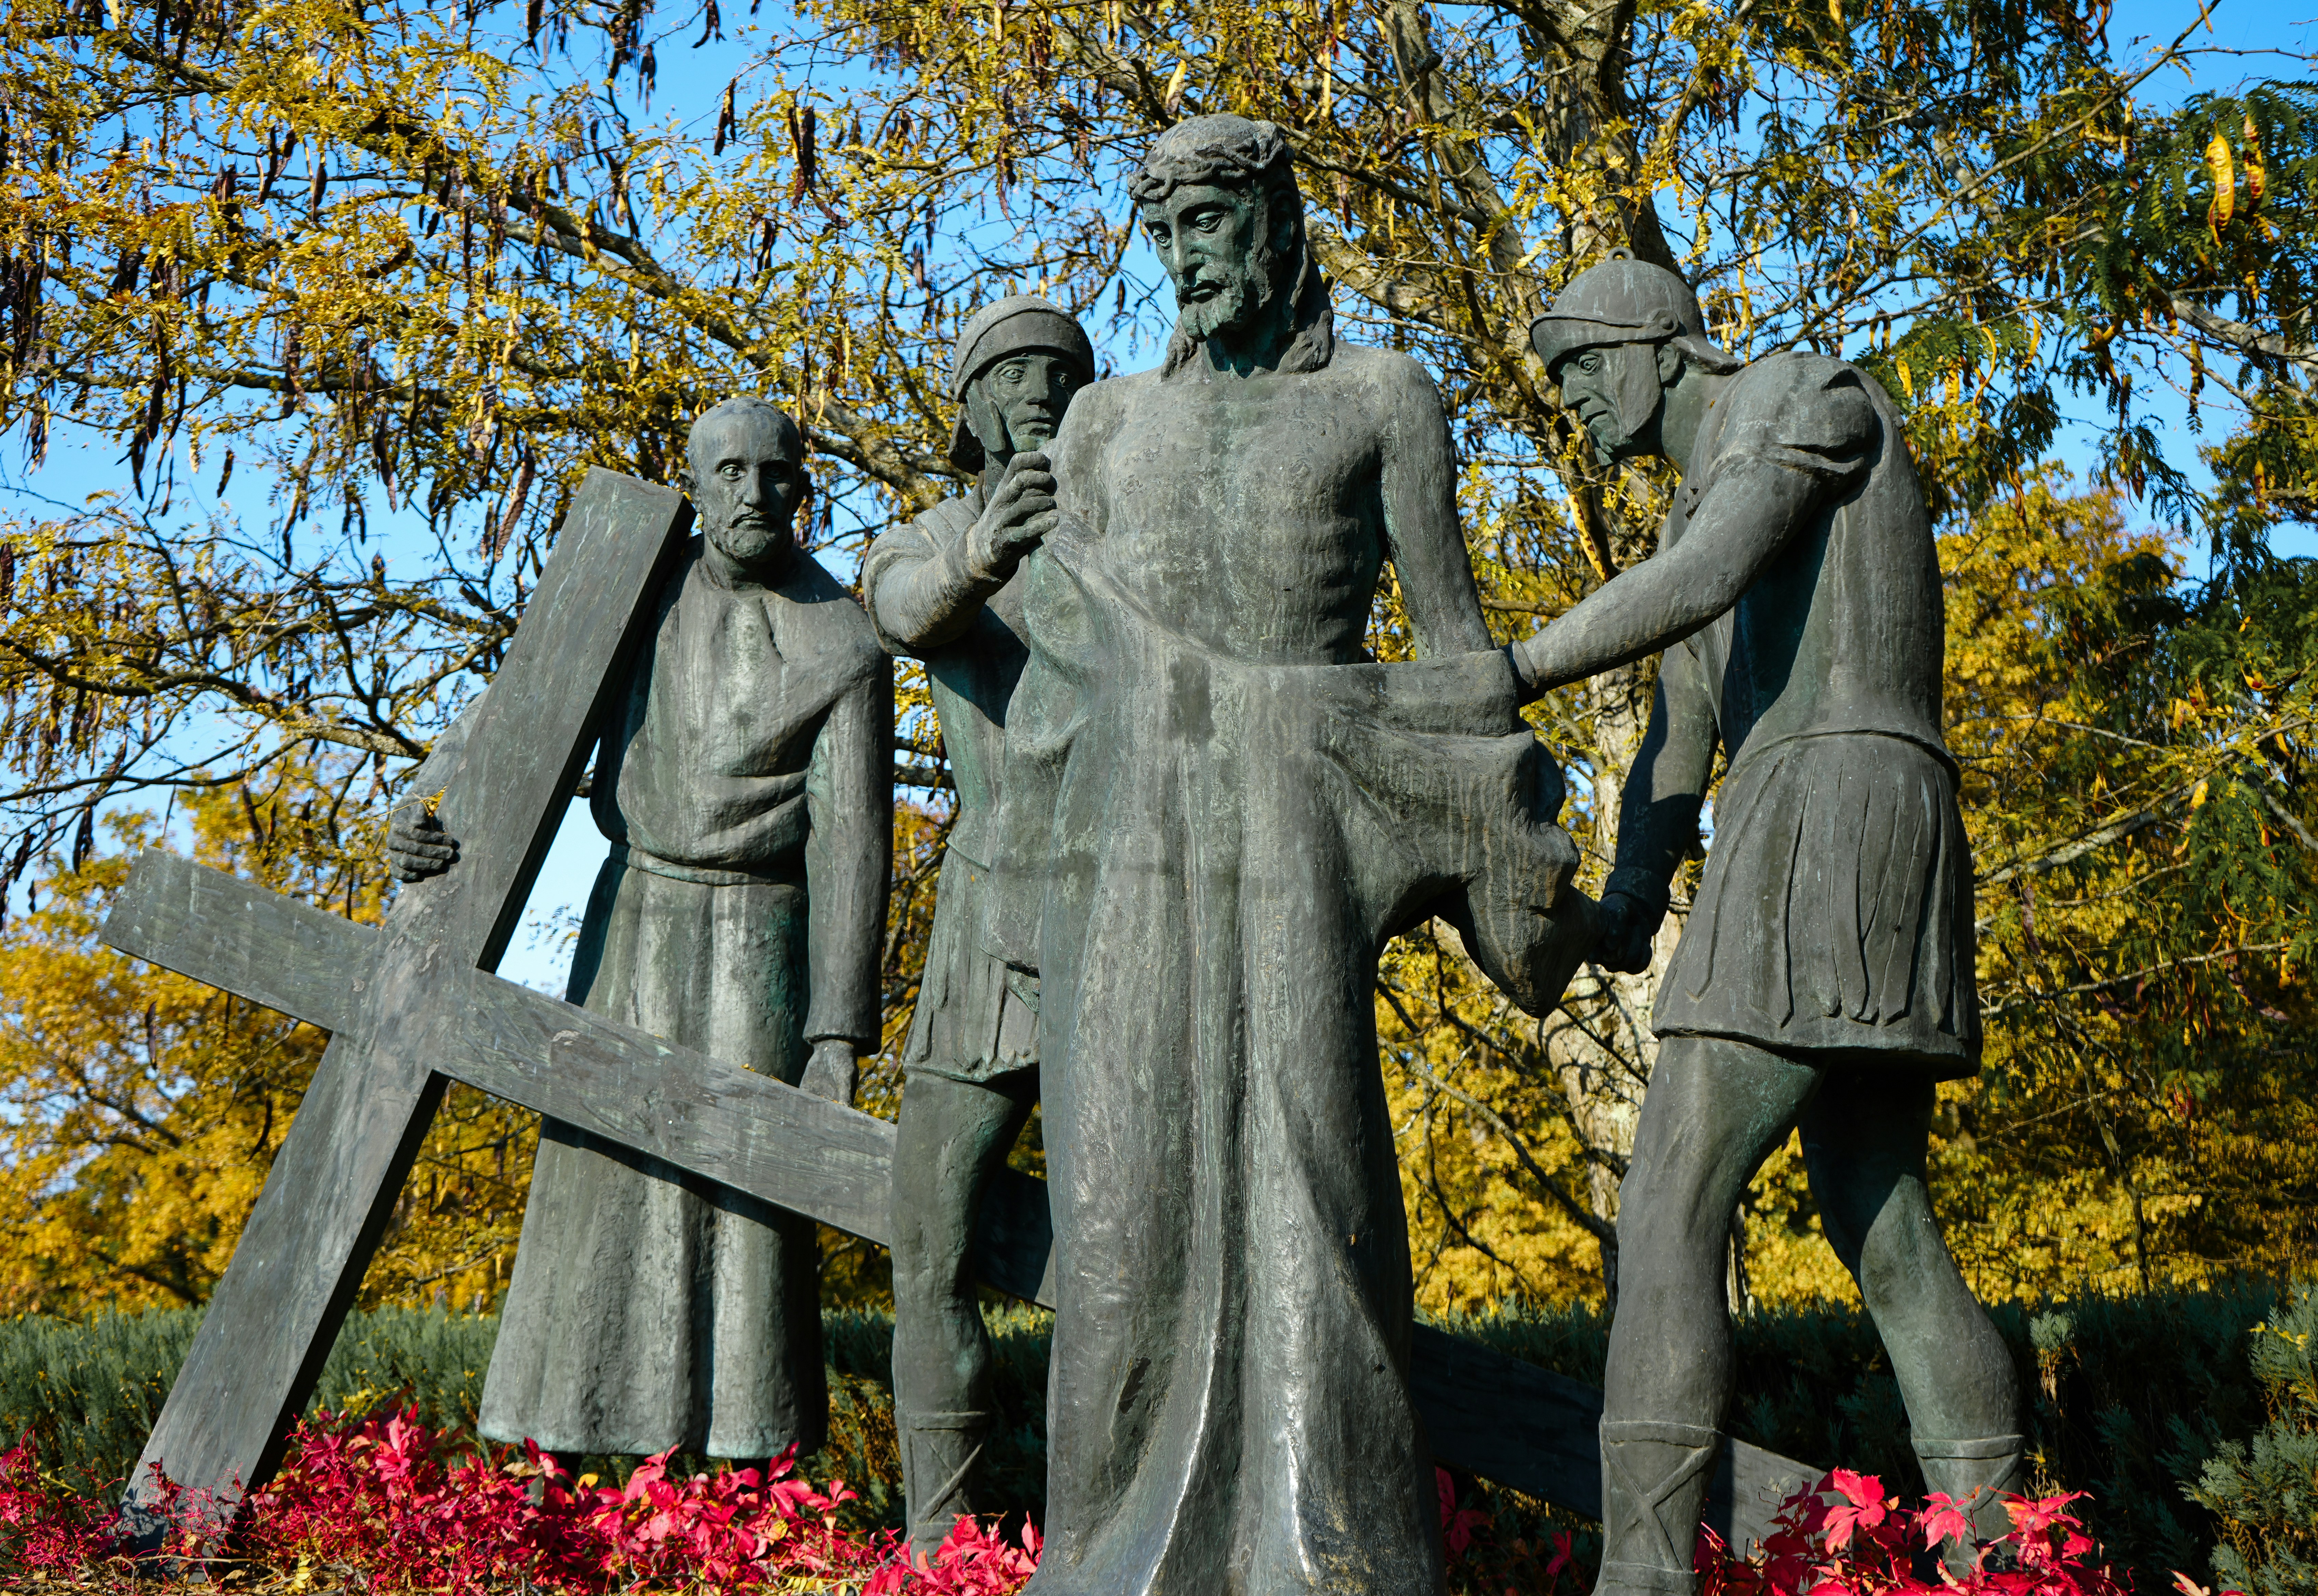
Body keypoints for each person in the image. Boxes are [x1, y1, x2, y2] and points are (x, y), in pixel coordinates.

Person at [983, 116, 1597, 1596]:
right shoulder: (1106, 426)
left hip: (1300, 846)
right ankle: (1113, 1564)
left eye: (1212, 222)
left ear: (1278, 224)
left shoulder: (1386, 399)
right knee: (1121, 1212)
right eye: (1168, 230)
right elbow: (1045, 659)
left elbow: (1459, 665)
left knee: (1312, 1189)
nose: (1187, 257)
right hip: (1127, 847)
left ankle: (1336, 1560)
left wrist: (1525, 860)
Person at [1513, 252, 2022, 1590]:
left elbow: (1709, 570)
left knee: (1674, 1196)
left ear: (1657, 348)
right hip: (1811, 813)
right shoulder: (1697, 512)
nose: (1570, 400)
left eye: (1578, 369)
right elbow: (1677, 749)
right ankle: (2010, 1557)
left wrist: (1506, 670)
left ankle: (1645, 1573)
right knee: (1882, 1215)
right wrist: (1614, 905)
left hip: (1832, 804)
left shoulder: (1804, 397)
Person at [387, 398, 891, 1470]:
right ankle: (553, 1459)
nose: (755, 494)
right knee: (594, 1183)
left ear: (804, 489)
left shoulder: (845, 638)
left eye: (777, 475)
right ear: (697, 487)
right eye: (730, 474)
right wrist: (430, 814)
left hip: (765, 940)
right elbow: (510, 728)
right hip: (633, 923)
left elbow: (853, 847)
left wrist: (838, 1036)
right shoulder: (630, 601)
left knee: (742, 1206)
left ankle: (739, 1480)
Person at [861, 295, 1093, 1556]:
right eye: (1011, 375)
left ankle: (1100, 1539)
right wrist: (981, 558)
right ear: (969, 408)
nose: (1039, 391)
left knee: (1125, 1264)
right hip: (984, 919)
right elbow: (902, 611)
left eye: (1060, 371)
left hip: (1117, 920)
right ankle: (941, 1549)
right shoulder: (938, 533)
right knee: (929, 1242)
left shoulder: (1128, 532)